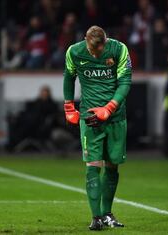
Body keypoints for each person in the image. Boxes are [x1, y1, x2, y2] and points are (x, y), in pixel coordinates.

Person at [63, 25, 132, 230]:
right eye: (92, 50)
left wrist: (109, 108)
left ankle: (107, 213)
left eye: (99, 50)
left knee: (112, 166)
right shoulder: (74, 51)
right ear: (85, 39)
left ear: (105, 41)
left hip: (115, 118)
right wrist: (69, 106)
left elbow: (125, 82)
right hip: (90, 118)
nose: (95, 53)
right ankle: (96, 218)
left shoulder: (119, 50)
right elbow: (69, 76)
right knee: (93, 166)